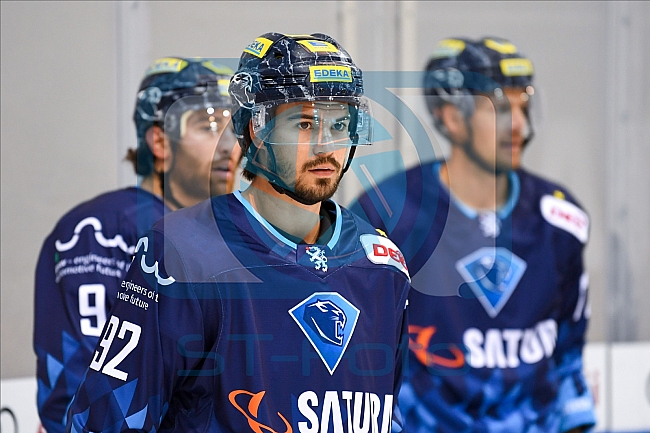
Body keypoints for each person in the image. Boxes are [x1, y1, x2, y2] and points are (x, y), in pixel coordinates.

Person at [66, 32, 411, 433]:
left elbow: (388, 416)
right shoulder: (181, 252)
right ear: (255, 130)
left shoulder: (383, 263)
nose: (325, 145)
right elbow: (107, 420)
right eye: (303, 123)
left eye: (339, 124)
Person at [351, 37, 596, 432]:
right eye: (500, 107)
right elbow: (364, 357)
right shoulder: (388, 212)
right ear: (451, 118)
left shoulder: (560, 218)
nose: (518, 124)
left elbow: (568, 354)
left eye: (522, 105)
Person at [33, 57, 236, 433]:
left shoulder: (231, 236)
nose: (229, 147)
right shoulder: (98, 231)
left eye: (232, 128)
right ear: (159, 141)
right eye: (209, 126)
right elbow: (81, 387)